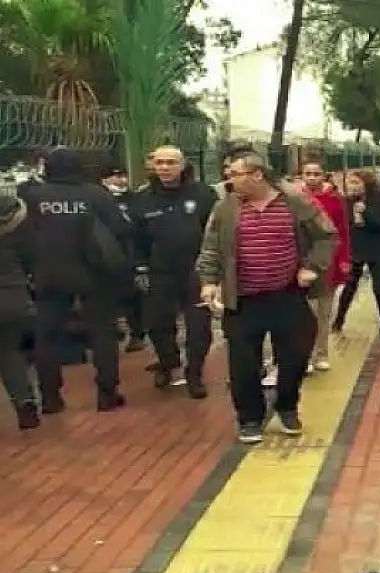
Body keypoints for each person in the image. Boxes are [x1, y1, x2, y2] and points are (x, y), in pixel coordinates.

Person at [196, 149, 336, 444]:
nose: (229, 180)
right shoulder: (225, 208)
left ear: (257, 175)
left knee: (296, 356)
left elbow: (327, 235)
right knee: (243, 363)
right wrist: (209, 282)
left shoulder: (295, 203)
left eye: (235, 174)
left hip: (286, 295)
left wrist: (311, 266)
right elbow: (210, 248)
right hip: (243, 299)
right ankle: (249, 418)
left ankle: (287, 406)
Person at [22, 147, 132, 412]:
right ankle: (107, 394)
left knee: (47, 337)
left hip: (49, 274)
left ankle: (50, 398)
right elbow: (121, 228)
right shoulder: (96, 195)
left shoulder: (33, 196)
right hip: (94, 273)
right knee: (103, 334)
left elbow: (21, 235)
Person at [131, 146, 218, 398]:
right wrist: (140, 268)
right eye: (160, 162)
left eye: (170, 162)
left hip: (197, 271)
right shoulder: (142, 199)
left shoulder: (203, 194)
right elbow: (135, 239)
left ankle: (195, 373)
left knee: (199, 326)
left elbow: (215, 233)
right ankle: (168, 362)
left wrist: (215, 272)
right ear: (153, 166)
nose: (165, 167)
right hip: (159, 272)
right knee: (157, 324)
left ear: (182, 166)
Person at [333, 170, 380, 338]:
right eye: (350, 183)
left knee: (379, 288)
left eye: (356, 183)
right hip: (355, 248)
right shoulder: (345, 202)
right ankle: (338, 321)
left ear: (366, 184)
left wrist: (366, 212)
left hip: (377, 248)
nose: (353, 187)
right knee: (350, 286)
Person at [299, 160, 351, 371]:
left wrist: (344, 259)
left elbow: (342, 231)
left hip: (328, 263)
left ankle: (321, 353)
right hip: (301, 263)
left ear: (324, 176)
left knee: (323, 311)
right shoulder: (295, 199)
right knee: (303, 313)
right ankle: (305, 355)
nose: (311, 177)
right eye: (307, 173)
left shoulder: (335, 200)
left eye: (316, 173)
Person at [0, 196, 40, 429]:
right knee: (9, 353)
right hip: (13, 300)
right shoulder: (18, 227)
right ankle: (25, 404)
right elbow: (33, 259)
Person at [101, 165, 145, 353]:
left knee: (131, 296)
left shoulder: (136, 199)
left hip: (129, 254)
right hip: (105, 254)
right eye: (114, 176)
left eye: (122, 176)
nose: (119, 180)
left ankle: (137, 334)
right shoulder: (100, 200)